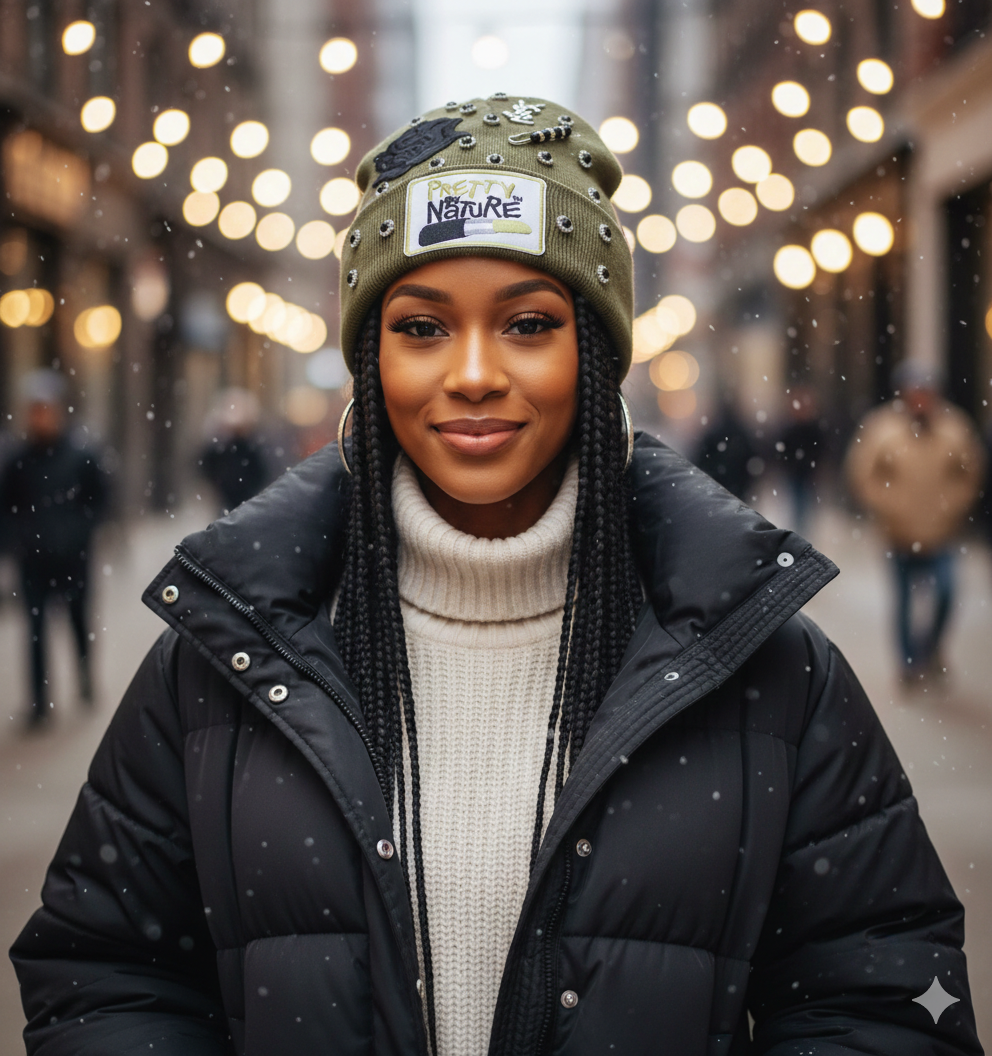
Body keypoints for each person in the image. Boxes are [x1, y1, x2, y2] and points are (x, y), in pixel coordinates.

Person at [11, 98, 981, 1056]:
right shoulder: (220, 662)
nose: (471, 373)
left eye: (525, 324)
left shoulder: (766, 669)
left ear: (591, 353)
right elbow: (105, 975)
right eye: (422, 328)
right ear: (370, 358)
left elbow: (879, 997)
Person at [846, 364, 984, 682]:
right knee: (905, 601)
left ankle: (930, 649)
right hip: (898, 532)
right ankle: (908, 663)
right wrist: (888, 505)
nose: (920, 400)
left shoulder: (955, 427)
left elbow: (971, 472)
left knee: (946, 593)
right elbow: (862, 474)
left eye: (926, 393)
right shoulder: (881, 428)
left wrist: (953, 505)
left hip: (942, 532)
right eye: (914, 393)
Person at [0, 370, 109, 728]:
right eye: (35, 410)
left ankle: (85, 682)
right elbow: (7, 505)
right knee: (34, 630)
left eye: (45, 409)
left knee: (78, 621)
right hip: (32, 559)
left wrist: (81, 533)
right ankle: (39, 702)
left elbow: (100, 499)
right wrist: (16, 541)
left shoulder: (81, 454)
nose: (40, 417)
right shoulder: (17, 458)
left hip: (73, 556)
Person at [198, 388, 272, 513]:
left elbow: (261, 471)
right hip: (229, 499)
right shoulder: (222, 445)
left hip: (243, 499)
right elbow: (207, 466)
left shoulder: (249, 445)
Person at [775, 385, 824, 536]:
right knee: (797, 503)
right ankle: (799, 531)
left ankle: (803, 531)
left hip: (807, 472)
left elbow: (821, 449)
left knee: (805, 504)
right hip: (796, 472)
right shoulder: (791, 427)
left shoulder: (812, 427)